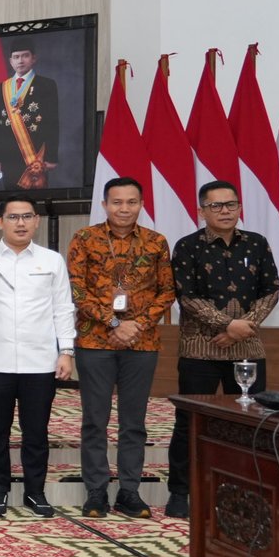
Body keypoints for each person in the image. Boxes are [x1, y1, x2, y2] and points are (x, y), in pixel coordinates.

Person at [167, 180, 279, 519]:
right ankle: (180, 492)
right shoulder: (188, 246)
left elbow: (271, 290)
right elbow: (187, 296)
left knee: (250, 423)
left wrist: (242, 327)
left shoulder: (257, 243)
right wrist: (227, 325)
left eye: (231, 204)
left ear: (239, 208)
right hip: (199, 350)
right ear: (201, 211)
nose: (225, 211)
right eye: (216, 205)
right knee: (189, 422)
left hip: (247, 348)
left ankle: (247, 491)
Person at [67, 177, 176, 519]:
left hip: (141, 343)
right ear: (104, 205)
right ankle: (96, 491)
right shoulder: (85, 238)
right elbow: (77, 290)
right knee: (95, 420)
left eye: (131, 202)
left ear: (141, 205)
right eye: (117, 202)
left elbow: (167, 292)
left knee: (134, 422)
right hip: (94, 342)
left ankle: (129, 491)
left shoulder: (156, 242)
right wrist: (115, 323)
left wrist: (136, 325)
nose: (124, 209)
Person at [0, 196, 75, 517]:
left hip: (40, 362)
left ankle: (35, 492)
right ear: (0, 222)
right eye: (13, 217)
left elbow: (63, 308)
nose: (20, 223)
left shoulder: (52, 260)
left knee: (36, 432)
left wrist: (66, 351)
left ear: (37, 221)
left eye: (26, 217)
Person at [0, 38, 60, 190]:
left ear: (33, 58)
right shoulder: (1, 88)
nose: (20, 61)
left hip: (36, 155)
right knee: (10, 198)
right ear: (11, 61)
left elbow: (53, 122)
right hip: (8, 155)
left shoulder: (46, 85)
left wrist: (51, 156)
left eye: (25, 56)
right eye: (16, 57)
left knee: (36, 199)